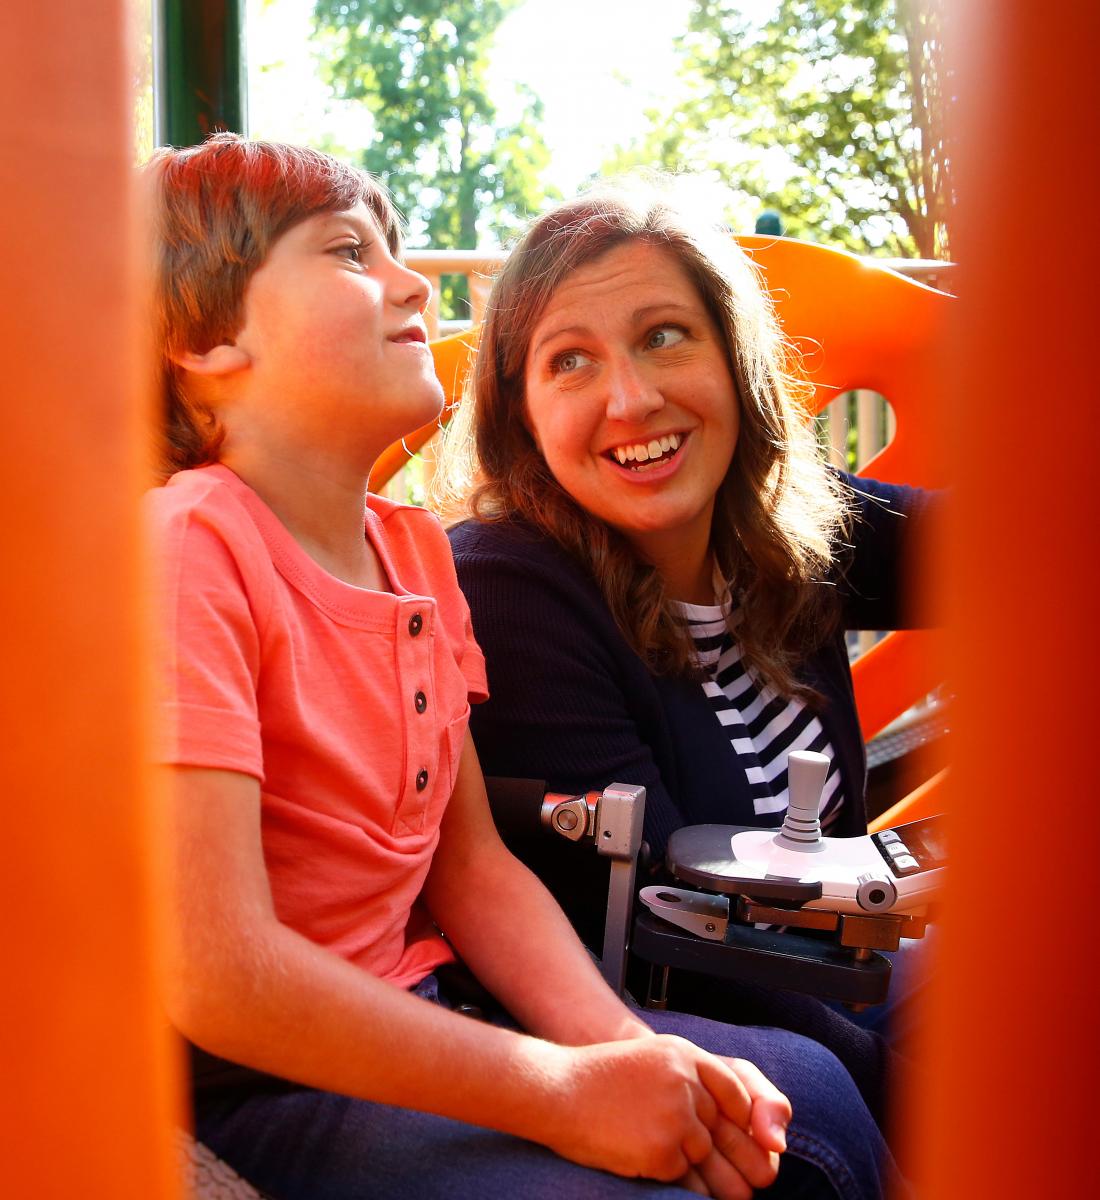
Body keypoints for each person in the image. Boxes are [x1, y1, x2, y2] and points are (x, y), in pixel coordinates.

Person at [143, 135, 901, 1200]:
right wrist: (551, 1088)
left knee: (797, 1101)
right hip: (261, 1072)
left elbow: (472, 870)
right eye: (352, 252)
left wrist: (617, 1050)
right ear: (210, 336)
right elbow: (216, 978)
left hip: (427, 996)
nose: (413, 284)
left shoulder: (408, 554)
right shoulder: (184, 549)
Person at [439, 180, 940, 1128]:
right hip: (702, 1026)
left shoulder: (781, 529)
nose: (631, 398)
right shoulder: (509, 590)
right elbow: (684, 942)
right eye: (570, 362)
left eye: (665, 335)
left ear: (733, 361)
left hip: (856, 961)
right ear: (523, 413)